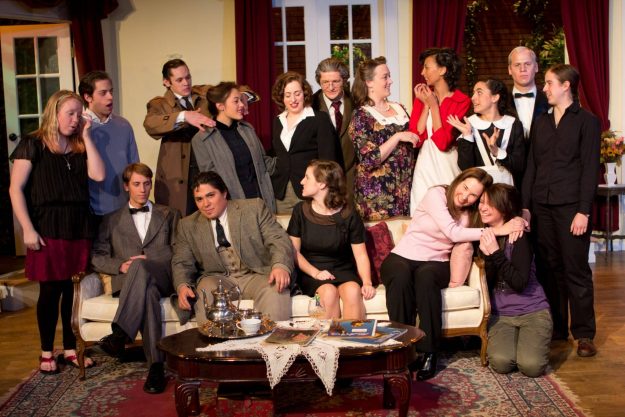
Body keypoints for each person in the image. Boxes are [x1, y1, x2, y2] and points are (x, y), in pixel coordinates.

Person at [380, 168, 524, 381]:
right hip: (402, 256)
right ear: (459, 180)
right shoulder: (436, 194)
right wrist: (498, 231)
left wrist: (522, 218)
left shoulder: (474, 213)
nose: (465, 196)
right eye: (465, 187)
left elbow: (505, 211)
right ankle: (402, 350)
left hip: (436, 261)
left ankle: (429, 352)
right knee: (400, 276)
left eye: (473, 195)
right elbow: (453, 233)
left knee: (426, 278)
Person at [9, 90, 105, 374]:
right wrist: (27, 228)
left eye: (79, 114)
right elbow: (15, 189)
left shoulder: (79, 145)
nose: (75, 120)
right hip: (47, 225)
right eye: (70, 114)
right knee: (50, 291)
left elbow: (98, 175)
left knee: (72, 291)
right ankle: (47, 351)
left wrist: (87, 136)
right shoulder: (33, 144)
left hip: (79, 225)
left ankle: (71, 348)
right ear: (54, 113)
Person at [522, 64, 600, 357]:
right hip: (541, 207)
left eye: (549, 83)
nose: (544, 88)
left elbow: (590, 170)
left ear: (566, 86)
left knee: (575, 269)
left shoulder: (587, 122)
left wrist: (584, 211)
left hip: (571, 208)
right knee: (548, 269)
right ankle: (557, 328)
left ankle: (584, 334)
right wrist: (526, 207)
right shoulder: (541, 123)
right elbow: (532, 167)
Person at [91, 163, 179, 393]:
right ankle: (156, 368)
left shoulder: (169, 214)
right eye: (137, 184)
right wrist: (119, 265)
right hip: (130, 284)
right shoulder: (111, 220)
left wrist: (149, 257)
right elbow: (97, 257)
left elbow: (179, 249)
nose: (142, 189)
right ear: (126, 186)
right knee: (147, 294)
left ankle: (120, 334)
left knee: (141, 265)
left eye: (146, 184)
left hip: (162, 277)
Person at [172, 171, 294, 324]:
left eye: (210, 195)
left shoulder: (254, 208)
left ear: (224, 193)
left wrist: (280, 266)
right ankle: (214, 339)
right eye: (199, 199)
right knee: (205, 289)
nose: (205, 204)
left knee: (276, 288)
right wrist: (182, 286)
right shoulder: (187, 225)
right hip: (218, 279)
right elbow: (181, 262)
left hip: (256, 275)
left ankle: (272, 338)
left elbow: (278, 239)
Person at [477, 183, 552, 377]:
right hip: (501, 315)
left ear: (504, 208)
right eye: (482, 202)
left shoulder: (519, 237)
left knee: (531, 366)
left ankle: (532, 341)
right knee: (501, 363)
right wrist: (488, 257)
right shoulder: (482, 235)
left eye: (489, 204)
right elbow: (488, 283)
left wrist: (496, 253)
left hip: (532, 311)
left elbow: (519, 283)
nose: (483, 207)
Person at [287, 160, 375, 319]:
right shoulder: (300, 211)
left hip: (343, 270)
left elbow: (361, 255)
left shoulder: (349, 214)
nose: (302, 181)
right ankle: (327, 336)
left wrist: (367, 282)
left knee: (353, 291)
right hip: (312, 272)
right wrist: (316, 273)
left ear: (322, 184)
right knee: (328, 292)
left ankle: (353, 335)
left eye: (307, 177)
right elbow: (293, 252)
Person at [349, 56, 419, 220]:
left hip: (405, 190)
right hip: (377, 196)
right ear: (369, 82)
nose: (390, 81)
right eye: (385, 77)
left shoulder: (399, 108)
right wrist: (397, 137)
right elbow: (368, 160)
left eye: (389, 76)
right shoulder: (361, 116)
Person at [143, 59, 215, 216]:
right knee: (180, 223)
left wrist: (241, 96)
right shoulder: (159, 104)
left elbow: (231, 92)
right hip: (178, 180)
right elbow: (150, 124)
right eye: (179, 80)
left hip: (206, 172)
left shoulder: (203, 96)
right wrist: (184, 116)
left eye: (188, 77)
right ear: (166, 82)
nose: (186, 83)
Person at [192, 82, 276, 212]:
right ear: (220, 106)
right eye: (236, 101)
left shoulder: (247, 129)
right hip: (233, 209)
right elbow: (211, 183)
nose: (242, 105)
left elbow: (264, 163)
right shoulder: (202, 138)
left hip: (263, 204)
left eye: (241, 100)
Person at [409, 47, 471, 213]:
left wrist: (434, 106)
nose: (422, 72)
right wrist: (426, 105)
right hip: (424, 167)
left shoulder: (461, 101)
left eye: (427, 67)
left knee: (450, 214)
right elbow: (416, 138)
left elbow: (443, 142)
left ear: (443, 70)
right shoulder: (422, 99)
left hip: (447, 167)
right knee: (421, 216)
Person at [270, 71, 342, 214]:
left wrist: (325, 191)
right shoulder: (277, 121)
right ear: (281, 98)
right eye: (287, 95)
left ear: (305, 93)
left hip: (311, 190)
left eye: (297, 93)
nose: (293, 99)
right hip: (281, 192)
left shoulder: (319, 119)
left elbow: (328, 160)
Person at [79, 70, 139, 217]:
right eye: (103, 93)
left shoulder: (123, 125)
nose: (110, 97)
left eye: (111, 91)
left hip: (123, 210)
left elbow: (134, 167)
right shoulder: (79, 127)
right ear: (88, 97)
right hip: (91, 212)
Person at [449, 79, 526, 188]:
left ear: (495, 97)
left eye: (479, 92)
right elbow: (465, 168)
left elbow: (519, 166)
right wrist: (467, 136)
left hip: (506, 192)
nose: (473, 98)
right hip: (479, 191)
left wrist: (497, 152)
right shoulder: (468, 125)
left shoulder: (513, 124)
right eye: (473, 93)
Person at [312, 58, 357, 199]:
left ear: (344, 80)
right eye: (325, 82)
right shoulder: (310, 106)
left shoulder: (357, 102)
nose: (330, 87)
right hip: (322, 180)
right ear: (319, 82)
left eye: (335, 81)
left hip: (353, 178)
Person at [507, 46, 549, 141]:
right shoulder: (501, 101)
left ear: (536, 67)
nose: (523, 69)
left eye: (527, 64)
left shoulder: (549, 100)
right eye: (517, 65)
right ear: (509, 69)